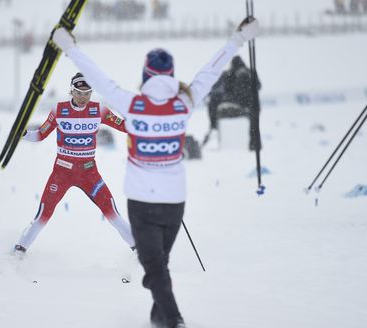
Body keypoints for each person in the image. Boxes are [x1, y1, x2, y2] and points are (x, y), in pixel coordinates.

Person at [51, 17, 260, 328]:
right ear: (171, 75)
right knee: (158, 264)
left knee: (155, 266)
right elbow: (211, 71)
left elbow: (97, 75)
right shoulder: (184, 101)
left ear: (145, 76)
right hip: (175, 201)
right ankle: (158, 314)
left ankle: (173, 319)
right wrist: (239, 38)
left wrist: (68, 47)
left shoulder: (132, 103)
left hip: (140, 203)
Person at [13, 73, 136, 253]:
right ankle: (19, 250)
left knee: (112, 212)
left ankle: (139, 250)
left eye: (87, 93)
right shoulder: (59, 111)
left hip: (89, 173)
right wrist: (21, 134)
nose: (83, 97)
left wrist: (145, 124)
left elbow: (124, 126)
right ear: (71, 91)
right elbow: (40, 134)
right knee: (44, 214)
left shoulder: (99, 110)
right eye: (79, 93)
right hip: (62, 173)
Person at [205, 55, 261, 150]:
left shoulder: (230, 73)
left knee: (213, 102)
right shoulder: (251, 72)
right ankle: (255, 145)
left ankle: (213, 125)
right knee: (254, 127)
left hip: (238, 103)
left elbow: (224, 89)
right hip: (253, 106)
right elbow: (259, 86)